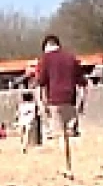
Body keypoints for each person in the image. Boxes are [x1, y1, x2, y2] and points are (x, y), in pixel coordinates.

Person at [33, 34, 88, 163]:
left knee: (59, 135)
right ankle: (71, 162)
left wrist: (42, 104)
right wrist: (82, 103)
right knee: (70, 134)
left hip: (55, 100)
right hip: (71, 100)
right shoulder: (71, 58)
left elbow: (40, 83)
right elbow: (83, 83)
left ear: (46, 46)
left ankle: (66, 165)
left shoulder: (45, 59)